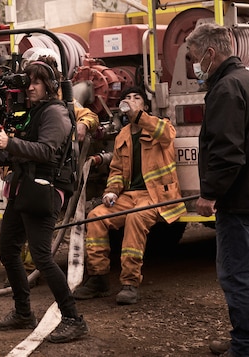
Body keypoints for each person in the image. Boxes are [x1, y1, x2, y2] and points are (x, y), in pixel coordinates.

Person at [0, 56, 90, 344]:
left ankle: (73, 319)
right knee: (8, 250)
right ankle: (23, 312)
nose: (30, 87)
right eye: (29, 81)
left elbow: (47, 151)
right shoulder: (33, 111)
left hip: (42, 191)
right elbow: (21, 151)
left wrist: (9, 143)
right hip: (23, 190)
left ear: (50, 84)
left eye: (37, 81)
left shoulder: (55, 113)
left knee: (42, 258)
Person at [185, 23, 249, 357]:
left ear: (210, 53)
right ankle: (246, 340)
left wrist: (209, 193)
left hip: (241, 201)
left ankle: (245, 347)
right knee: (248, 276)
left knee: (237, 277)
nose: (192, 64)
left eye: (194, 56)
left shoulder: (227, 89)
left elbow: (228, 152)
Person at [73, 86, 185, 305]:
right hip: (128, 196)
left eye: (137, 98)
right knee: (95, 217)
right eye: (127, 98)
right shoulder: (123, 135)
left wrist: (140, 116)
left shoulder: (159, 125)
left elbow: (168, 135)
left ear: (144, 105)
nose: (131, 100)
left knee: (136, 217)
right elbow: (116, 171)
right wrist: (111, 192)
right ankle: (98, 278)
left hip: (156, 197)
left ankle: (129, 283)